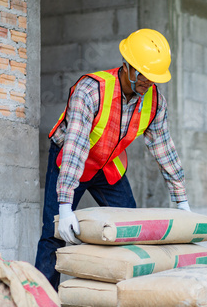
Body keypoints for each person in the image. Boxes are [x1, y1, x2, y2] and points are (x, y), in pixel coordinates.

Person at [35, 29, 190, 290]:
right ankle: (43, 300)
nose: (148, 82)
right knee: (54, 234)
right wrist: (65, 206)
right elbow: (75, 146)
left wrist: (181, 200)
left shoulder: (155, 102)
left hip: (108, 167)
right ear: (127, 65)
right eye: (144, 74)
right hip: (71, 160)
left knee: (131, 231)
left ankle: (127, 293)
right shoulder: (91, 90)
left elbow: (164, 148)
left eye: (154, 77)